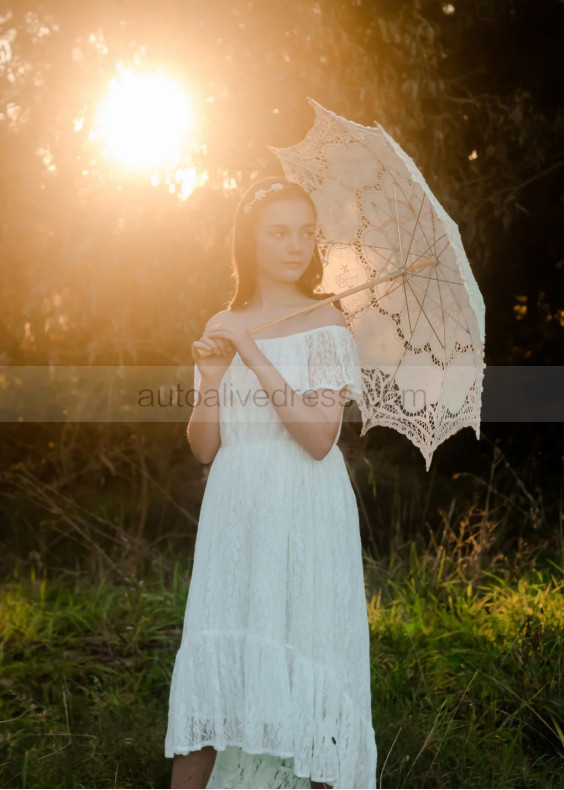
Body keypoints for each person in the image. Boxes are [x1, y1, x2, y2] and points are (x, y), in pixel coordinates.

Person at [165, 176, 378, 789]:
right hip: (238, 504)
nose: (295, 245)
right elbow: (204, 446)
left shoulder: (328, 321)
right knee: (220, 653)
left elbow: (317, 438)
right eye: (278, 232)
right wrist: (210, 374)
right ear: (250, 241)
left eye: (305, 232)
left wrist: (254, 356)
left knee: (306, 649)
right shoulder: (224, 320)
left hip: (304, 502)